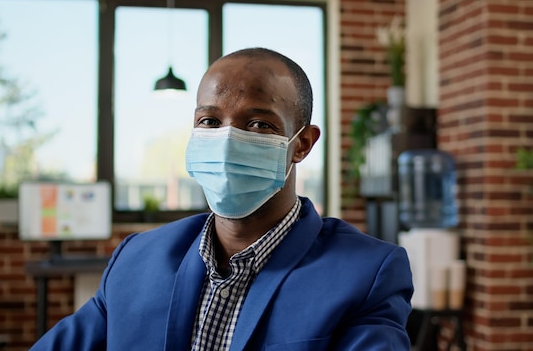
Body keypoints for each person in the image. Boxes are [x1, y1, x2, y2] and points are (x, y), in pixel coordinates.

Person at [31, 47, 413, 351]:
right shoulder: (136, 260)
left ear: (302, 144)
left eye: (259, 124)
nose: (228, 139)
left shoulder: (366, 274)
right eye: (210, 122)